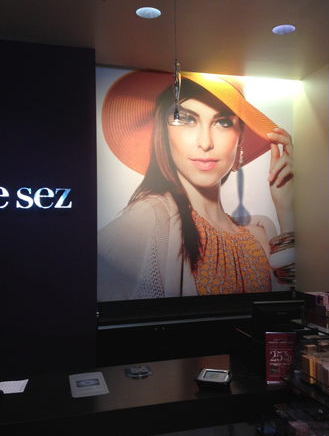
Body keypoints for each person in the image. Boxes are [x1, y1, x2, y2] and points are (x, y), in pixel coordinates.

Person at [98, 70, 294, 301]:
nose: (205, 142)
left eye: (222, 122)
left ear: (240, 137)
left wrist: (286, 209)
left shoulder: (262, 233)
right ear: (164, 132)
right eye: (187, 119)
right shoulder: (150, 218)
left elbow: (289, 309)